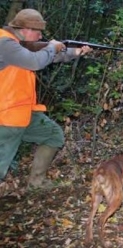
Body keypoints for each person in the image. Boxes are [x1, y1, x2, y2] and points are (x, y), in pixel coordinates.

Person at [0, 9, 92, 197]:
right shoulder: (5, 43)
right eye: (38, 31)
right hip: (6, 117)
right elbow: (35, 61)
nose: (41, 35)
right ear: (25, 29)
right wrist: (52, 46)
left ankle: (36, 183)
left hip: (23, 113)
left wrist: (76, 52)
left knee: (52, 135)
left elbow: (51, 57)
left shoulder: (18, 45)